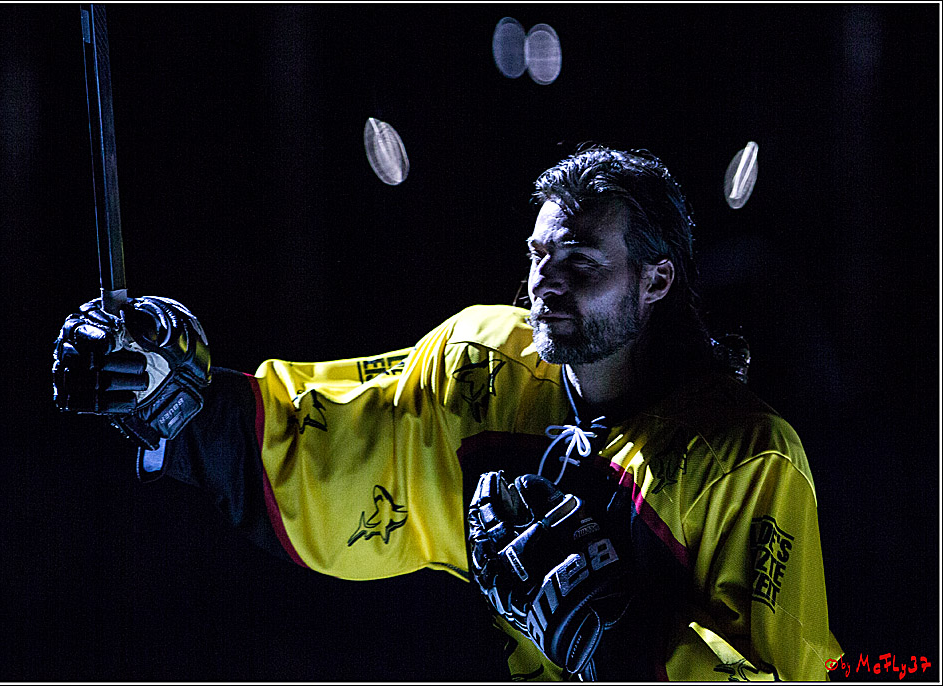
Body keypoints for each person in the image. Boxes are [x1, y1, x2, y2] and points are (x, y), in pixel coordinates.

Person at [54, 146, 842, 680]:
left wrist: (622, 645)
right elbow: (336, 437)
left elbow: (789, 671)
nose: (546, 284)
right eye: (540, 254)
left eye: (581, 262)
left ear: (657, 282)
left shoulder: (747, 457)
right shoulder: (483, 366)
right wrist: (178, 398)